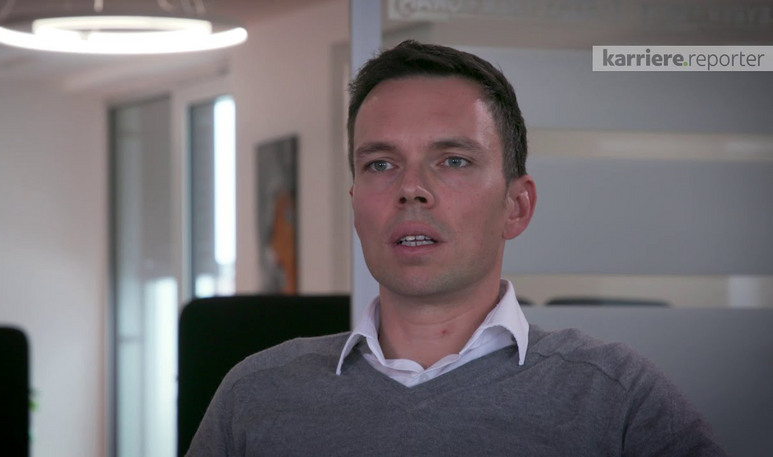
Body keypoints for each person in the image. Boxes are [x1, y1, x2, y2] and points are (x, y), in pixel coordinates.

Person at [187, 40, 725, 456]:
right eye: (380, 163)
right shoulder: (255, 396)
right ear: (355, 206)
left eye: (453, 160)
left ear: (516, 206)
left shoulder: (615, 397)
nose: (410, 188)